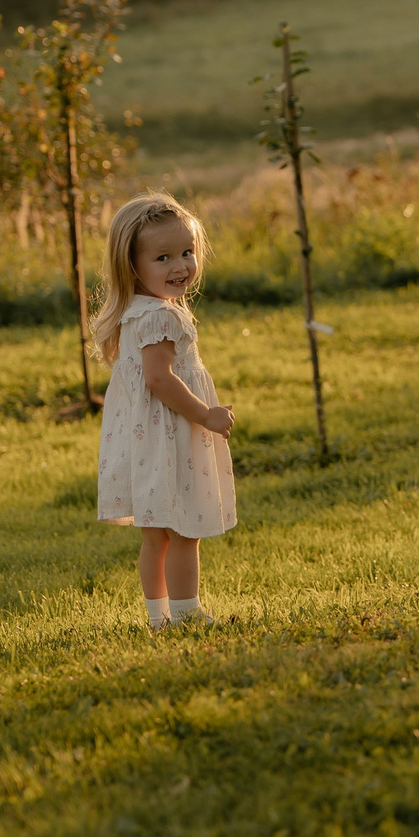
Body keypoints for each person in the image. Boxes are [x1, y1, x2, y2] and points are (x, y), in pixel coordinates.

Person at [92, 193, 237, 629]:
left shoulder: (138, 311)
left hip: (147, 439)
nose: (180, 266)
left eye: (187, 252)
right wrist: (205, 415)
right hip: (170, 433)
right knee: (185, 529)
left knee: (156, 534)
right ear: (132, 266)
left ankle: (159, 617)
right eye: (163, 257)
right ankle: (187, 614)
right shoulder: (160, 316)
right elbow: (160, 380)